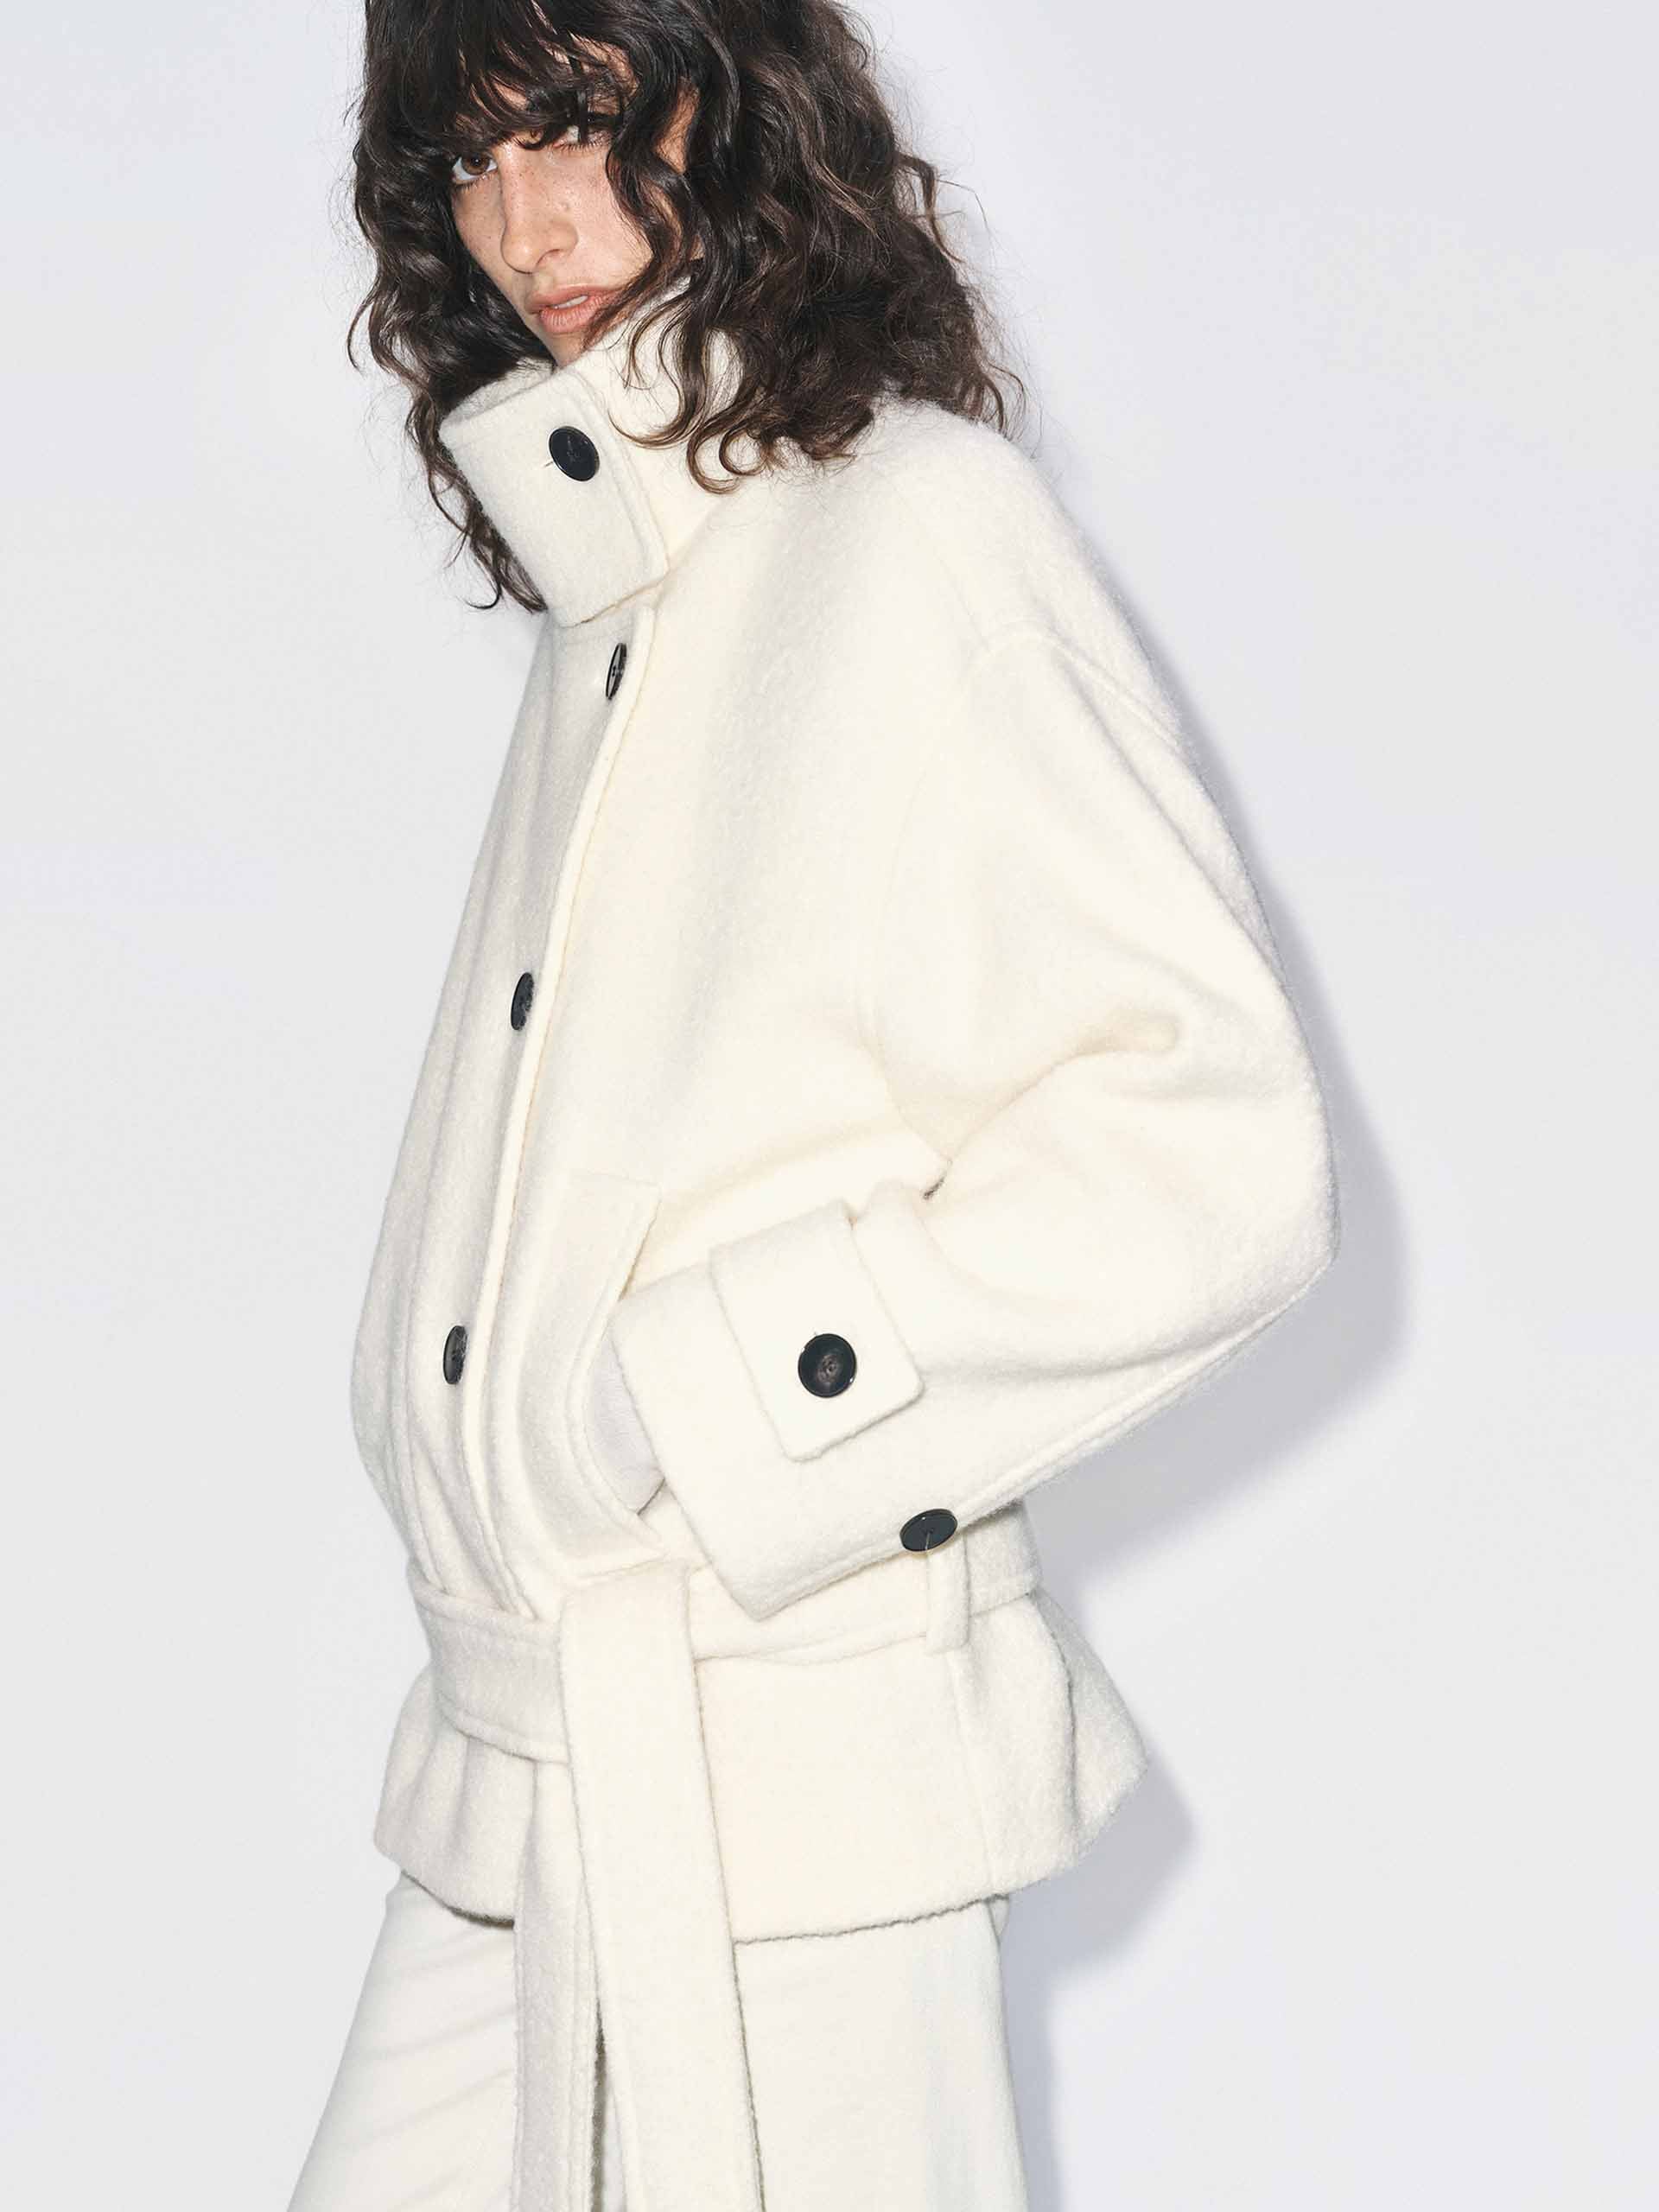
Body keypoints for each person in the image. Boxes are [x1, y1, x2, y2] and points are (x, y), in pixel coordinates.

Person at [288, 4, 1339, 2208]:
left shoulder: (914, 529)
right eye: (471, 158)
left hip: (778, 1796)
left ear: (735, 100)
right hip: (514, 1771)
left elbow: (1214, 1149)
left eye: (585, 122)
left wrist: (712, 1395)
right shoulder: (620, 579)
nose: (530, 223)